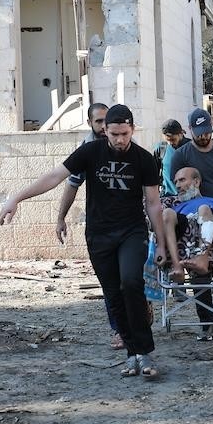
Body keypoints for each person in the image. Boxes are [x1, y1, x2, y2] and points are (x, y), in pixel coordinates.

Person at [0, 104, 167, 381]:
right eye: (114, 134)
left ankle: (145, 351)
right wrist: (16, 198)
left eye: (125, 134)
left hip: (131, 232)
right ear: (105, 131)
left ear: (132, 130)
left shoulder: (144, 159)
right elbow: (56, 177)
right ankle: (131, 354)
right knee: (113, 294)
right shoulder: (91, 152)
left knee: (131, 283)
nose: (120, 140)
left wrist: (161, 243)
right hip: (99, 235)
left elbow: (153, 203)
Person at [55, 102, 124, 350]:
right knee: (110, 282)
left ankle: (134, 323)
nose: (105, 128)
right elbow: (68, 182)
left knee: (131, 279)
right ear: (90, 124)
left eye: (108, 122)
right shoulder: (87, 152)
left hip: (129, 226)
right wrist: (61, 217)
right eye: (99, 122)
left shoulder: (124, 144)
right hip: (102, 228)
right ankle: (119, 329)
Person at [171, 107, 213, 329]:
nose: (203, 136)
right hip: (192, 219)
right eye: (198, 131)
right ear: (189, 130)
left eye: (207, 131)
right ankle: (207, 319)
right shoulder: (181, 155)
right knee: (200, 269)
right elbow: (176, 190)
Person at [158, 166, 213, 341]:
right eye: (176, 182)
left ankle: (209, 321)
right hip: (180, 248)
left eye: (182, 180)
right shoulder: (174, 205)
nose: (178, 185)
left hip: (208, 247)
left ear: (196, 181)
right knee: (166, 213)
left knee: (203, 208)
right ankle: (177, 267)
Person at [153, 119, 190, 197]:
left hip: (187, 197)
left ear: (181, 134)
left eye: (173, 140)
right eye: (167, 140)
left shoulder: (190, 147)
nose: (170, 143)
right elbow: (153, 173)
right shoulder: (161, 148)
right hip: (167, 196)